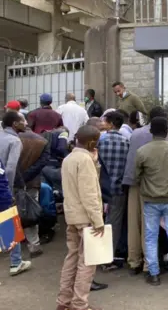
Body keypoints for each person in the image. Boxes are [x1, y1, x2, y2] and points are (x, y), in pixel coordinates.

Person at [56, 125, 104, 310]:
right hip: (86, 218)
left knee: (72, 258)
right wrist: (98, 221)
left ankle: (64, 301)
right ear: (92, 142)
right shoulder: (84, 161)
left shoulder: (69, 158)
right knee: (87, 263)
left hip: (72, 215)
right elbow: (89, 193)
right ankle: (79, 304)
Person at [135, 116, 168, 286]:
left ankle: (154, 273)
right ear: (167, 131)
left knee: (151, 237)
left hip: (151, 199)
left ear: (151, 131)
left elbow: (137, 176)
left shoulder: (142, 151)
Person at [123, 106, 167, 276]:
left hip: (133, 181)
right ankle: (149, 264)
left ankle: (134, 261)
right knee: (149, 224)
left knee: (133, 223)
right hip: (151, 184)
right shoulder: (163, 136)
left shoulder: (136, 133)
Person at [0, 111, 31, 276]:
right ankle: (16, 262)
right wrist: (8, 189)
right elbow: (10, 168)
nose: (25, 123)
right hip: (3, 186)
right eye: (22, 121)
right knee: (11, 223)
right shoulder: (14, 141)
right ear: (14, 124)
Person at [98, 111, 130, 267]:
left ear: (110, 123)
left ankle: (96, 255)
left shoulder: (99, 140)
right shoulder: (126, 141)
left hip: (99, 189)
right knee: (114, 223)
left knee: (96, 222)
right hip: (118, 188)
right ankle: (108, 257)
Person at [17, 123, 51, 257]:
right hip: (32, 182)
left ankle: (12, 244)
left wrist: (18, 177)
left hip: (11, 180)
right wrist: (27, 176)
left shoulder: (11, 139)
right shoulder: (42, 141)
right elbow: (43, 162)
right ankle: (34, 245)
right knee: (30, 212)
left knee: (10, 213)